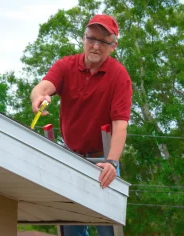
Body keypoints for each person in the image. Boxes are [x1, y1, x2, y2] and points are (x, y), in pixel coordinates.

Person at [30, 14, 132, 236]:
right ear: (83, 38)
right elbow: (43, 87)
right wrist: (39, 97)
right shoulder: (66, 66)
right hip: (70, 156)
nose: (95, 46)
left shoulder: (119, 76)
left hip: (102, 161)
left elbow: (120, 125)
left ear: (113, 46)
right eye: (91, 38)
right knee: (70, 226)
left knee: (106, 228)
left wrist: (112, 163)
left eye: (103, 41)